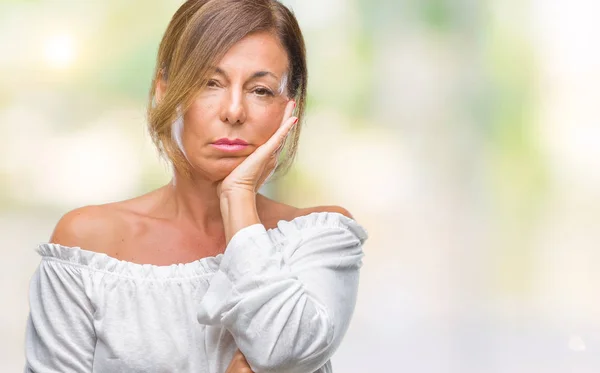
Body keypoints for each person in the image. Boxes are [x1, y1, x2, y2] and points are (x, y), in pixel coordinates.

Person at [23, 0, 368, 372]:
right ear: (164, 92)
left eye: (261, 90)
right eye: (210, 83)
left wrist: (238, 198)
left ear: (290, 107)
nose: (234, 111)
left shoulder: (319, 239)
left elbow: (283, 351)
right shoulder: (87, 245)